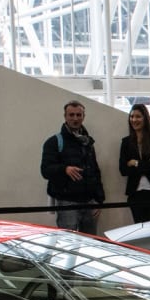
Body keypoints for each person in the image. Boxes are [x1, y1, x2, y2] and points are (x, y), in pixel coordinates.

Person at [41, 100, 105, 233]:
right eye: (71, 115)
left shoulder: (88, 142)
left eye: (78, 115)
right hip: (66, 201)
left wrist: (99, 200)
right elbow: (45, 170)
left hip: (89, 200)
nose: (75, 118)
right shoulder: (54, 142)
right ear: (65, 116)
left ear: (83, 117)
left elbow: (95, 171)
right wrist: (64, 169)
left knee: (92, 244)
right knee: (68, 245)